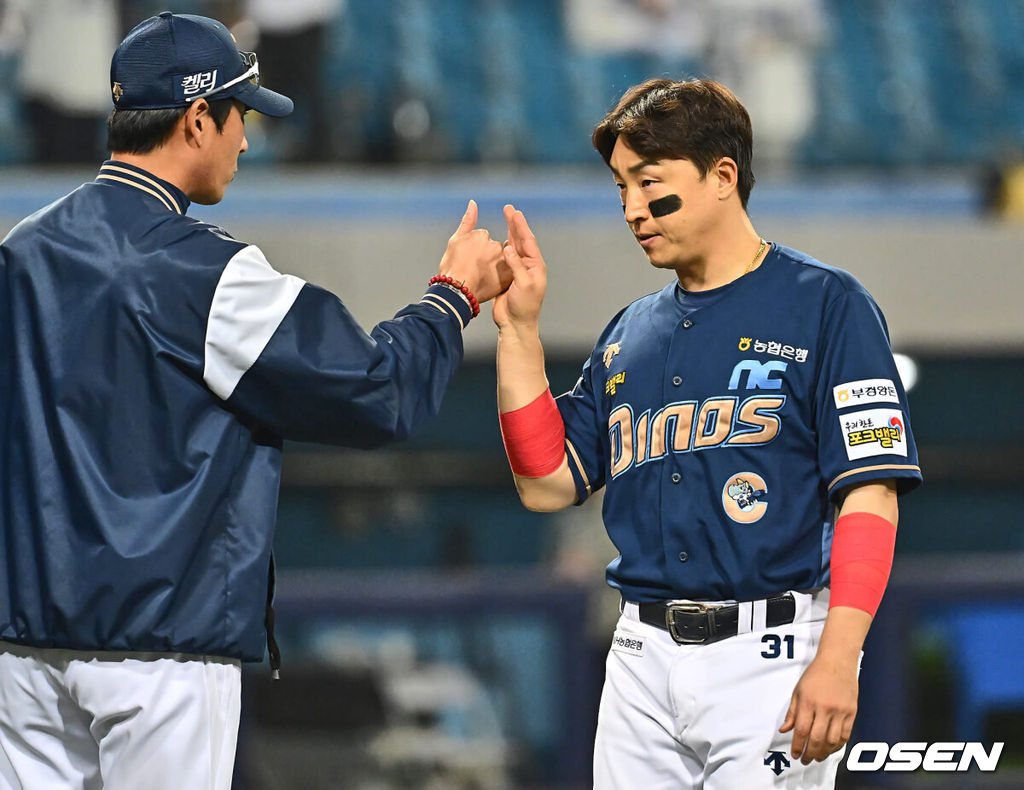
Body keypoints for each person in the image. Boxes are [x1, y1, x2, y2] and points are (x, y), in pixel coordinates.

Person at [0, 12, 508, 790]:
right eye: (240, 116)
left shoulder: (19, 252)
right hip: (159, 659)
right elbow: (375, 392)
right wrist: (451, 299)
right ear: (197, 117)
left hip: (21, 654)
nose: (247, 139)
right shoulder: (205, 272)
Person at [493, 78, 921, 788]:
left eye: (650, 182)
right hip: (638, 656)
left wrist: (840, 657)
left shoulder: (827, 305)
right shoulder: (630, 332)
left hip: (773, 652)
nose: (632, 209)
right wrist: (518, 332)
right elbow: (546, 480)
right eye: (621, 187)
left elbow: (870, 493)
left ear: (723, 176)